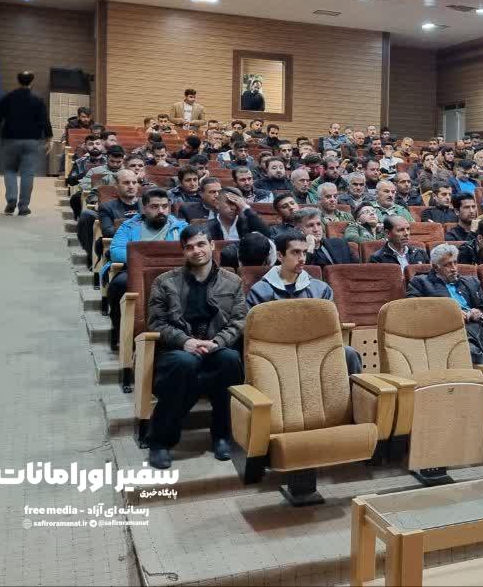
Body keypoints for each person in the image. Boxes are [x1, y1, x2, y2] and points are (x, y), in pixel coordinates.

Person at [143, 225, 245, 470]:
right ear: (183, 251)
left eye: (201, 244)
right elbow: (157, 322)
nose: (196, 251)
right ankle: (160, 442)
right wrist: (185, 341)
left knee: (231, 359)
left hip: (215, 347)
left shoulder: (233, 282)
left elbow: (239, 320)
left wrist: (217, 342)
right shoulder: (165, 282)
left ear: (212, 245)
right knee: (184, 362)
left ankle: (222, 436)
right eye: (189, 247)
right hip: (178, 350)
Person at [246, 229, 363, 375]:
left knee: (349, 353)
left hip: (314, 347)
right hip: (277, 351)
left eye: (304, 252)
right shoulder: (260, 291)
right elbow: (255, 334)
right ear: (280, 256)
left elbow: (330, 327)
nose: (302, 259)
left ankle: (352, 391)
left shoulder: (321, 289)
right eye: (295, 252)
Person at [105, 189, 188, 348]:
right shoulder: (129, 226)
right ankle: (120, 332)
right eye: (155, 206)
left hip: (175, 272)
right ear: (144, 209)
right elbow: (116, 251)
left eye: (165, 206)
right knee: (119, 284)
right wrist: (145, 261)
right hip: (136, 272)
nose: (161, 211)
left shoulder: (181, 227)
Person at [407, 244, 483, 364]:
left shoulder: (471, 281)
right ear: (435, 267)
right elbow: (414, 311)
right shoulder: (420, 282)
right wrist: (450, 314)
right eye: (447, 265)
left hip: (480, 326)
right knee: (472, 355)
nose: (454, 268)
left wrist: (480, 311)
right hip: (450, 330)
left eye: (455, 262)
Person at [0, 70, 53, 216]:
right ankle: (23, 206)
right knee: (28, 173)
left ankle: (11, 200)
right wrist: (49, 138)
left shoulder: (8, 97)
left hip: (10, 139)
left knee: (10, 170)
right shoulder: (38, 100)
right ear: (32, 81)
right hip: (32, 141)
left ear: (18, 81)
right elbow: (44, 120)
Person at [291, 207, 358, 266]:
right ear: (298, 230)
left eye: (318, 224)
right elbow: (300, 272)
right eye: (310, 225)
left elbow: (356, 270)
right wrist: (310, 248)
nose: (316, 229)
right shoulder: (294, 252)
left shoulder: (340, 244)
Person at [204, 186, 272, 242]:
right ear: (217, 204)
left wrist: (245, 208)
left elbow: (266, 235)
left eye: (237, 204)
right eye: (230, 203)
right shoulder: (207, 227)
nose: (234, 207)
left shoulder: (248, 224)